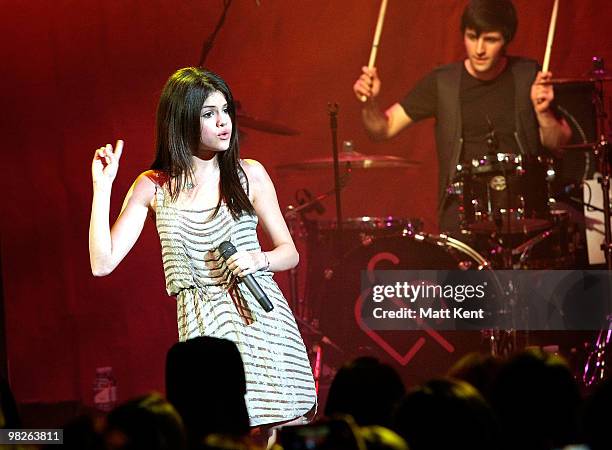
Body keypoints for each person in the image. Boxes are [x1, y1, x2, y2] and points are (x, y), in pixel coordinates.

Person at [89, 67, 317, 429]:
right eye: (209, 114)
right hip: (203, 331)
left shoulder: (249, 174)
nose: (224, 122)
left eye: (225, 111)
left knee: (281, 426)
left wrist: (260, 258)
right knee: (218, 431)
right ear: (181, 121)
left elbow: (290, 252)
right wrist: (102, 190)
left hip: (261, 319)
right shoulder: (154, 187)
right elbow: (102, 263)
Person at [353, 0, 572, 233]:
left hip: (524, 215)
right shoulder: (442, 83)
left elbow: (559, 143)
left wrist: (543, 113)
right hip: (461, 219)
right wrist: (370, 103)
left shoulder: (528, 75)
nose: (479, 49)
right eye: (471, 37)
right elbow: (382, 129)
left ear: (506, 40)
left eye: (490, 39)